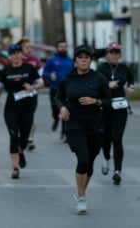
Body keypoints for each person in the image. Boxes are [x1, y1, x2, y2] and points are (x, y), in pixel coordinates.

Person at [55, 45, 111, 214]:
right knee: (83, 158)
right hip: (74, 125)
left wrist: (96, 101)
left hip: (95, 125)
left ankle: (82, 192)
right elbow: (59, 97)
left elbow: (108, 101)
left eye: (87, 57)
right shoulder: (68, 78)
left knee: (90, 162)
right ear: (75, 61)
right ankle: (81, 197)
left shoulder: (99, 78)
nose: (84, 60)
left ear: (90, 60)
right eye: (80, 57)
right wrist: (62, 108)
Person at [0, 44, 44, 179]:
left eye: (18, 53)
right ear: (10, 56)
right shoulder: (6, 70)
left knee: (25, 138)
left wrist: (32, 86)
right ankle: (15, 168)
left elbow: (41, 83)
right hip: (11, 108)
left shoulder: (29, 68)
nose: (15, 56)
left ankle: (21, 151)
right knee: (13, 136)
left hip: (27, 107)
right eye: (13, 54)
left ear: (21, 55)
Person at [96, 42, 135, 185]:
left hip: (120, 107)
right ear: (107, 54)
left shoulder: (124, 68)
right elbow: (94, 85)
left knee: (117, 139)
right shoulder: (101, 69)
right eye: (111, 52)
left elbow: (130, 79)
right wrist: (107, 85)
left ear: (120, 54)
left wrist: (130, 87)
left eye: (117, 52)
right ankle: (106, 158)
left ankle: (117, 171)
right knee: (105, 139)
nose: (114, 55)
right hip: (105, 108)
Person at [42, 40, 74, 143]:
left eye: (65, 46)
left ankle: (64, 134)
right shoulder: (52, 60)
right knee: (55, 111)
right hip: (55, 89)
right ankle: (55, 119)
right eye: (61, 46)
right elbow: (45, 72)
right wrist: (50, 75)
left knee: (65, 111)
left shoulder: (70, 60)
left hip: (67, 90)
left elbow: (74, 73)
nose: (63, 48)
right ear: (57, 48)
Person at [18, 38, 41, 150]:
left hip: (32, 93)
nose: (30, 49)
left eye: (31, 47)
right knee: (19, 117)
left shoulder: (35, 60)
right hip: (18, 94)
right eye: (27, 47)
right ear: (21, 49)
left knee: (30, 117)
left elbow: (39, 77)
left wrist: (33, 87)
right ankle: (20, 136)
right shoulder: (16, 60)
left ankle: (30, 139)